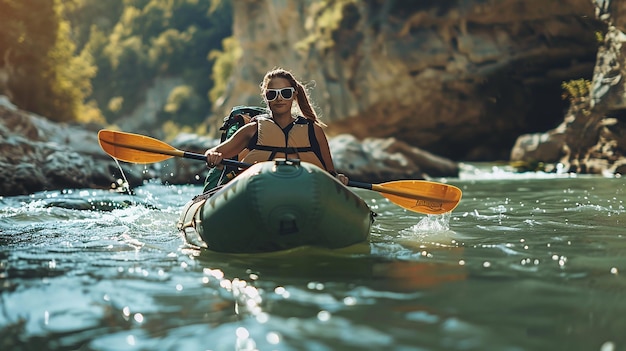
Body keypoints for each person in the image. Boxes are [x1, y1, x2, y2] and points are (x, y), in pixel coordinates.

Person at [204, 68, 349, 185]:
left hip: (304, 193)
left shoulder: (314, 130)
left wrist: (339, 178)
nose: (279, 98)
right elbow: (216, 152)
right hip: (259, 192)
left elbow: (331, 174)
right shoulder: (253, 129)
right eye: (272, 94)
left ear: (294, 94)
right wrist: (213, 155)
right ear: (265, 97)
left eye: (285, 93)